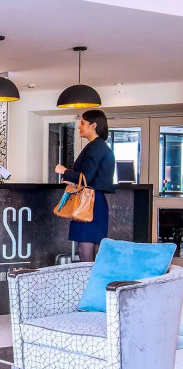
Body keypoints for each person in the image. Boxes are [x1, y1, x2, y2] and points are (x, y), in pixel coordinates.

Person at [55, 109, 115, 262]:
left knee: (85, 249)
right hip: (96, 201)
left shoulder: (95, 147)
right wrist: (74, 180)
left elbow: (86, 176)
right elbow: (94, 176)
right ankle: (93, 278)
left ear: (93, 125)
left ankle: (87, 278)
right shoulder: (101, 146)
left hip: (89, 202)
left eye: (82, 123)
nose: (79, 126)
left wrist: (64, 171)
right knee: (96, 249)